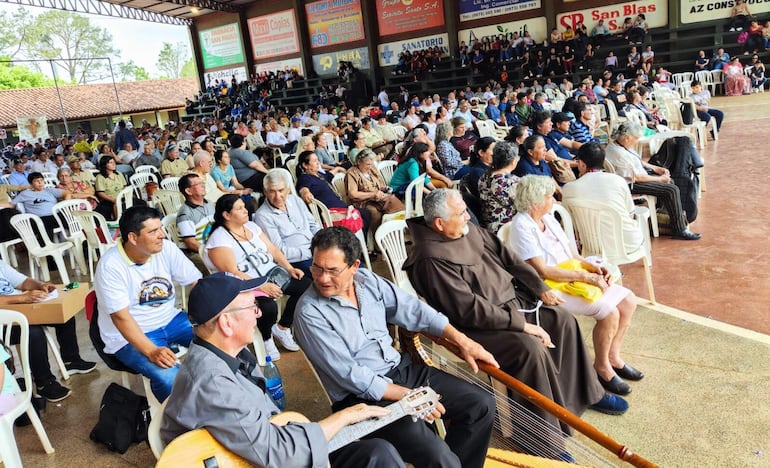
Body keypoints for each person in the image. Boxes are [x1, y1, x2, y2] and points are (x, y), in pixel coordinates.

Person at [403, 189, 628, 459]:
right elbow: (467, 309)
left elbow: (509, 259)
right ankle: (545, 442)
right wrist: (521, 325)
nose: (467, 216)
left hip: (513, 303)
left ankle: (584, 394)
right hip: (477, 326)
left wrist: (539, 286)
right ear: (439, 224)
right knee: (529, 349)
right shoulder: (429, 258)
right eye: (461, 213)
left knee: (562, 320)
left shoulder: (467, 229)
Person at [295, 227, 498, 468]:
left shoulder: (367, 281)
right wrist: (410, 397)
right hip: (362, 399)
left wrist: (463, 341)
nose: (322, 278)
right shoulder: (310, 312)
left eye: (332, 270)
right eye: (317, 268)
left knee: (481, 404)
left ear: (354, 266)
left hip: (402, 371)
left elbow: (413, 310)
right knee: (437, 454)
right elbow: (352, 376)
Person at [160, 272, 401, 467]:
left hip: (262, 447)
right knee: (378, 456)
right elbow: (278, 452)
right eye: (252, 307)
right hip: (269, 455)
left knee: (376, 453)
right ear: (226, 322)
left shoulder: (227, 356)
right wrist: (345, 416)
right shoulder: (213, 381)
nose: (259, 313)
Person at [511, 173, 641, 396]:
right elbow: (543, 271)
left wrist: (593, 269)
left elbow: (572, 254)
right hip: (550, 286)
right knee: (609, 312)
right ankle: (602, 367)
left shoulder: (549, 219)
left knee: (628, 300)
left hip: (572, 276)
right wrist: (586, 278)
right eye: (549, 196)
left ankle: (613, 356)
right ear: (535, 202)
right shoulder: (522, 226)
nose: (554, 200)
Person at [95, 206, 202, 401]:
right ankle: (178, 427)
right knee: (171, 378)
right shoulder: (111, 265)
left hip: (171, 319)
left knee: (224, 348)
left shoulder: (166, 248)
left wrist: (211, 319)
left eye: (160, 228)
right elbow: (121, 317)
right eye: (153, 231)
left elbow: (195, 283)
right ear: (133, 238)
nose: (162, 235)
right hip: (130, 335)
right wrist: (151, 350)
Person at [204, 195, 311, 361]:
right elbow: (233, 272)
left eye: (244, 206)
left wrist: (289, 268)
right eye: (239, 208)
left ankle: (282, 327)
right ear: (226, 215)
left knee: (305, 286)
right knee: (268, 308)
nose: (246, 210)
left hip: (271, 273)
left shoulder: (252, 227)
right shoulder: (219, 239)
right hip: (244, 285)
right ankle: (267, 338)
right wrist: (261, 286)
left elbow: (274, 250)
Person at [1, 259, 96, 402]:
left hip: (20, 307)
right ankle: (44, 383)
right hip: (3, 322)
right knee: (34, 333)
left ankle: (71, 360)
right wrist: (23, 297)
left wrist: (41, 285)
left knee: (63, 314)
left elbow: (23, 281)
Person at [605, 122, 701, 240]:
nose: (637, 141)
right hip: (630, 184)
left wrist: (655, 168)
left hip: (635, 178)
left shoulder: (621, 145)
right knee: (671, 189)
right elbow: (637, 177)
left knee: (670, 182)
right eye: (636, 138)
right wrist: (659, 179)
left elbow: (638, 161)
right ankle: (679, 229)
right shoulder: (618, 153)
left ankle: (663, 218)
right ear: (627, 138)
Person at [253, 170, 320, 276]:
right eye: (272, 191)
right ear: (265, 192)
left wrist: (323, 241)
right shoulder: (263, 216)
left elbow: (313, 225)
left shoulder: (296, 200)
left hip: (317, 249)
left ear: (288, 190)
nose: (278, 196)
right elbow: (279, 251)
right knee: (329, 272)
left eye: (281, 190)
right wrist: (310, 252)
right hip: (297, 260)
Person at [344, 150, 403, 237]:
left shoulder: (372, 170)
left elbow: (380, 183)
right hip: (362, 202)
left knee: (394, 201)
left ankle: (396, 231)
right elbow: (353, 194)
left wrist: (384, 188)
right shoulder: (352, 173)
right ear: (359, 162)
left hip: (378, 198)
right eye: (368, 164)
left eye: (371, 163)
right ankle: (377, 240)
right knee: (374, 212)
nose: (370, 166)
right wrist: (372, 194)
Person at [478, 140, 520, 234]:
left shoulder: (484, 176)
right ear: (513, 161)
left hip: (487, 225)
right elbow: (524, 206)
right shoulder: (513, 182)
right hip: (505, 229)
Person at [176, 173, 214, 275]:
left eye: (202, 182)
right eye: (198, 184)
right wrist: (209, 252)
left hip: (209, 246)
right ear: (188, 191)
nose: (203, 185)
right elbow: (190, 243)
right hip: (193, 252)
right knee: (215, 265)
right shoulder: (185, 213)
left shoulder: (209, 204)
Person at [94, 155, 127, 220]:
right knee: (116, 205)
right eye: (111, 162)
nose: (114, 164)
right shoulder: (100, 177)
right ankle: (118, 221)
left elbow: (124, 186)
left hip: (122, 197)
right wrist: (113, 200)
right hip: (109, 200)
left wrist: (123, 195)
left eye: (114, 162)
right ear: (105, 165)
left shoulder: (119, 174)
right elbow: (100, 193)